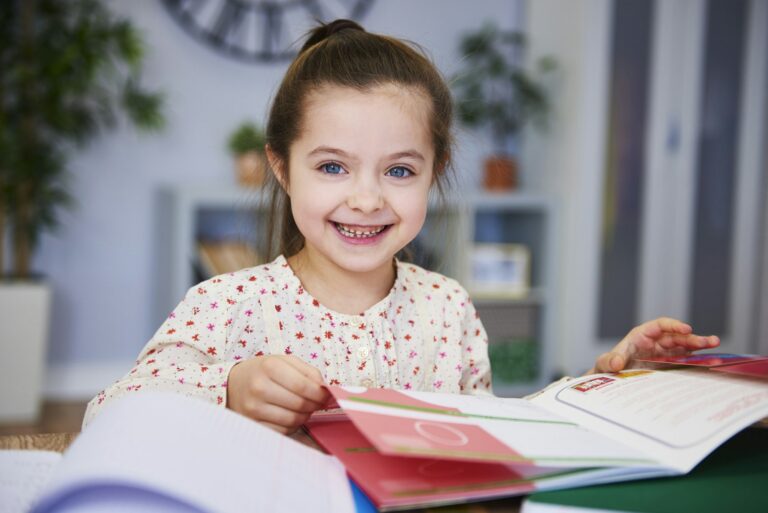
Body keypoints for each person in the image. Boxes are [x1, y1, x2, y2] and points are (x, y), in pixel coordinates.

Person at [83, 19, 719, 434]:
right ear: (281, 167)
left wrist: (611, 376)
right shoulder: (229, 303)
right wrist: (229, 385)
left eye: (399, 171)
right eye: (332, 166)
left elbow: (492, 433)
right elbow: (108, 414)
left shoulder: (447, 308)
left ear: (435, 172)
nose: (366, 199)